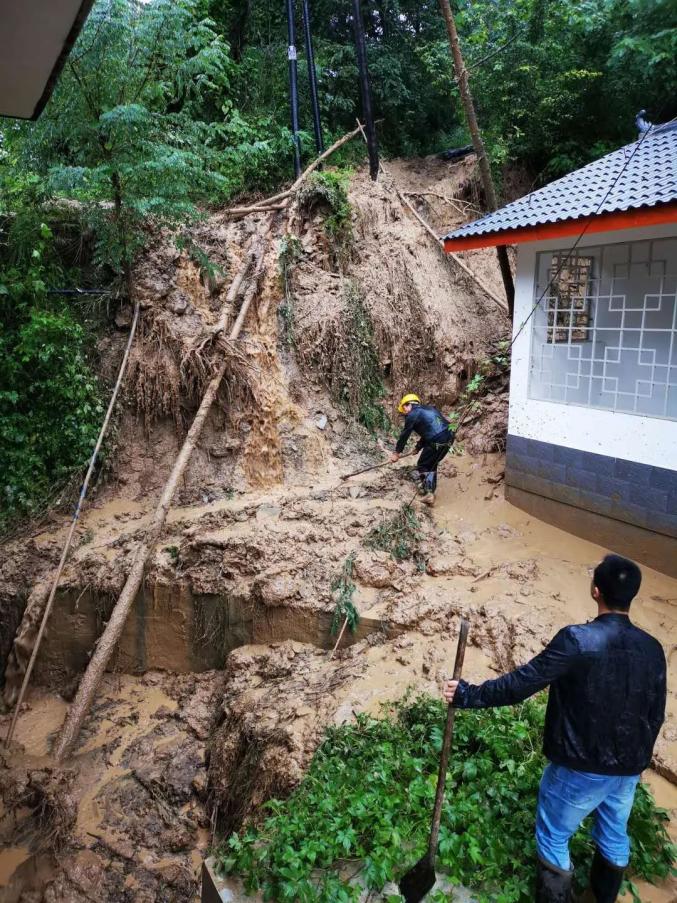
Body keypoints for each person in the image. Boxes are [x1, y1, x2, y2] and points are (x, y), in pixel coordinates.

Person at [442, 554, 666, 903]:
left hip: (578, 766)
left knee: (552, 835)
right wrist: (636, 759)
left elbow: (521, 684)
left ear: (595, 591)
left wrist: (468, 694)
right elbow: (656, 713)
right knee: (613, 835)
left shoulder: (577, 640)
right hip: (627, 770)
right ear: (632, 595)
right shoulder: (653, 649)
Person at [390, 393, 454, 507]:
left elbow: (405, 435)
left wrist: (396, 453)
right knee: (431, 464)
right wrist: (418, 447)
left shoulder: (412, 414)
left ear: (407, 405)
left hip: (436, 439)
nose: (404, 412)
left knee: (423, 464)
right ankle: (429, 492)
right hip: (449, 436)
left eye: (404, 408)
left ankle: (429, 493)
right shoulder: (429, 409)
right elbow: (430, 430)